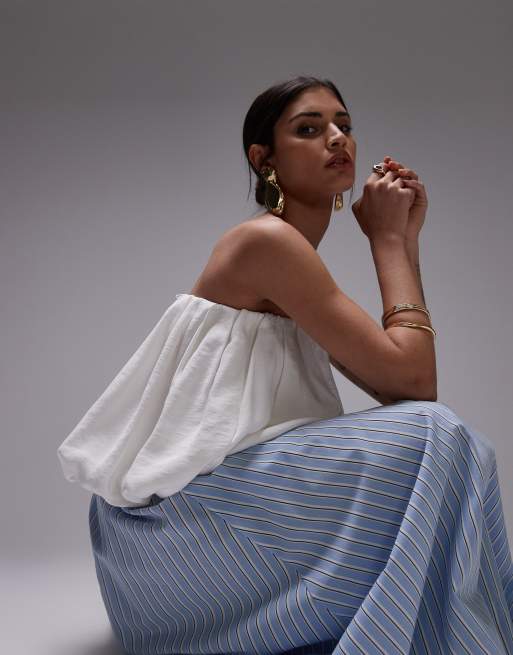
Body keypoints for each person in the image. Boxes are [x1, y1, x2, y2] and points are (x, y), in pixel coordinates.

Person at [57, 76, 513, 654]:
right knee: (437, 435)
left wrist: (403, 239)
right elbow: (417, 385)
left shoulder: (294, 267)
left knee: (460, 447)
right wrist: (389, 244)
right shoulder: (267, 244)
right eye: (309, 128)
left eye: (344, 126)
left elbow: (402, 390)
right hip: (173, 540)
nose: (337, 138)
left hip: (179, 544)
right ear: (263, 158)